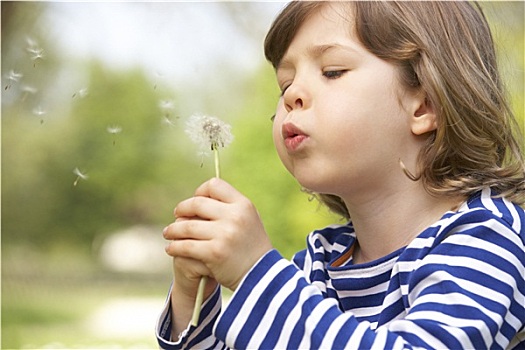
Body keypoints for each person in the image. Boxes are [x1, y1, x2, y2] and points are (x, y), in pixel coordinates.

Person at [157, 1, 525, 349]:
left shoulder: (485, 237)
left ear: (425, 104)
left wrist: (254, 274)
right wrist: (193, 299)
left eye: (332, 71)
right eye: (285, 84)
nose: (292, 95)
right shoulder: (320, 262)